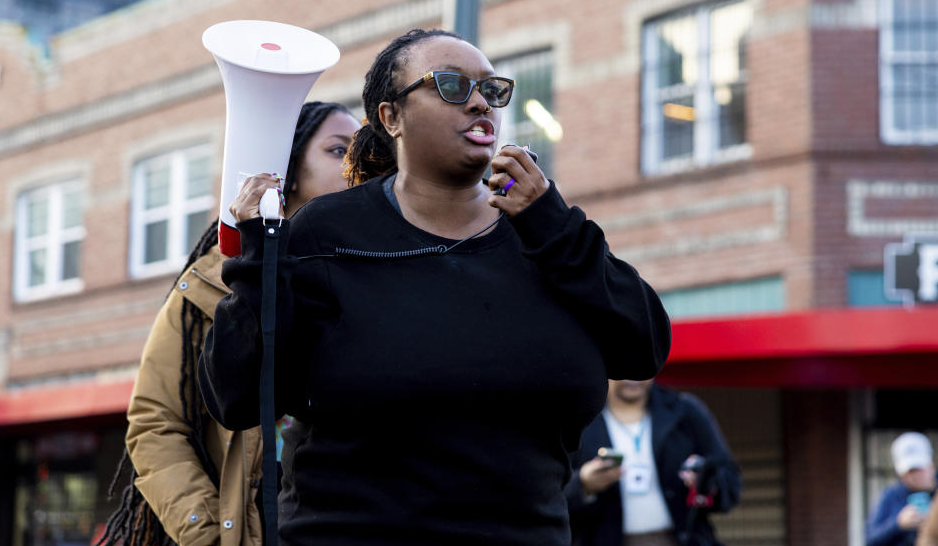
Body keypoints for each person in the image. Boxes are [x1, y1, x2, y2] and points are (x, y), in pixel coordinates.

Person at [198, 28, 672, 545]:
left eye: (490, 90)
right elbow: (238, 396)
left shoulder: (545, 234)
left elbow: (643, 346)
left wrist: (554, 228)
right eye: (450, 85)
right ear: (391, 117)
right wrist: (256, 263)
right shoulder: (324, 231)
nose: (478, 103)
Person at [98, 101, 360, 546]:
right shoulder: (207, 284)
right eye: (339, 151)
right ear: (287, 171)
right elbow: (156, 423)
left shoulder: (370, 271)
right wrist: (210, 534)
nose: (356, 167)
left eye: (361, 152)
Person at [567, 379, 741, 546]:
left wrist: (705, 480)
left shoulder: (685, 411)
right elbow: (551, 493)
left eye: (642, 363)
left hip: (681, 539)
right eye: (624, 364)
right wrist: (584, 484)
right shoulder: (579, 419)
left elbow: (730, 481)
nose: (633, 374)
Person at [868, 432, 937, 546]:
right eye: (909, 471)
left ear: (931, 464)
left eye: (919, 469)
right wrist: (898, 524)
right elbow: (871, 539)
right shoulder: (891, 496)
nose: (915, 476)